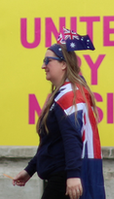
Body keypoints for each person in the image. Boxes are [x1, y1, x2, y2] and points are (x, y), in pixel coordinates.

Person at [13, 29, 105, 199]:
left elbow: (72, 138)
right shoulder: (65, 94)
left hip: (64, 180)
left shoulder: (69, 96)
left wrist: (73, 176)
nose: (43, 66)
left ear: (63, 64)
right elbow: (52, 142)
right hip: (61, 177)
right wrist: (29, 170)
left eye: (48, 61)